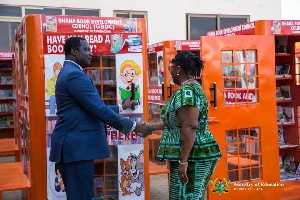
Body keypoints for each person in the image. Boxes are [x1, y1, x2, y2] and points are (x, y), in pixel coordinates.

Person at [49, 37, 151, 200]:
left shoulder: (69, 72)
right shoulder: (75, 75)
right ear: (74, 51)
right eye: (87, 50)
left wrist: (121, 107)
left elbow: (90, 109)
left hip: (75, 148)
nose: (91, 54)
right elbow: (98, 110)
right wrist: (135, 127)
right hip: (76, 148)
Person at [138, 51, 222, 199]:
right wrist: (150, 128)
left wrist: (183, 162)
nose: (169, 70)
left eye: (170, 67)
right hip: (191, 154)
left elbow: (189, 127)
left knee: (186, 196)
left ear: (178, 69)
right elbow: (177, 122)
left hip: (193, 156)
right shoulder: (189, 88)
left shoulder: (187, 92)